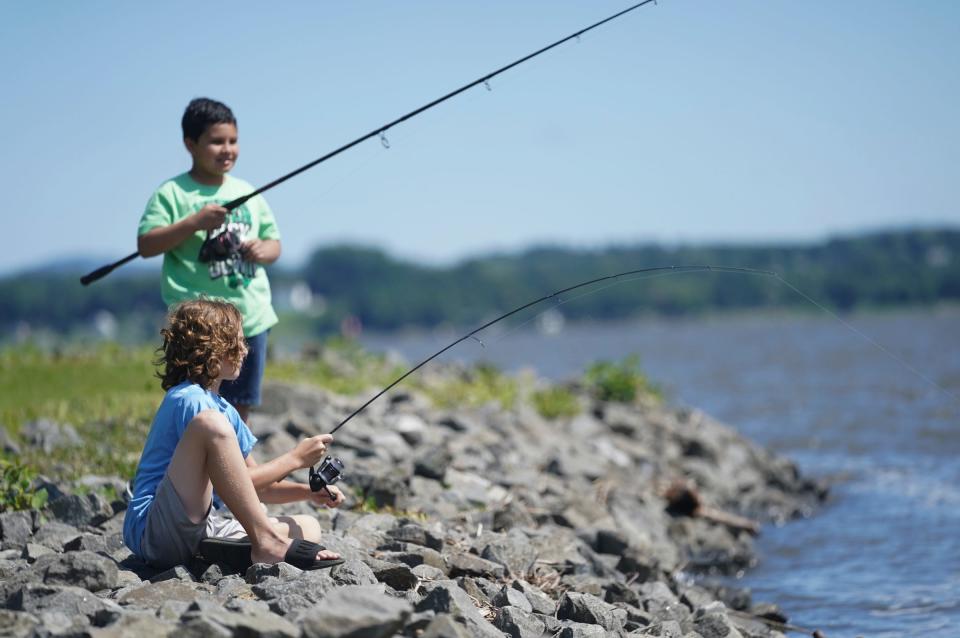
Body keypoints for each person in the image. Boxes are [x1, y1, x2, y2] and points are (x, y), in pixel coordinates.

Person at [122, 298, 346, 570]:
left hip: (200, 525)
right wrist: (296, 459)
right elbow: (239, 479)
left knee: (309, 527)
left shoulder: (225, 410)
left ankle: (219, 554)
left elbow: (251, 484)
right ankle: (266, 542)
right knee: (211, 425)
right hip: (155, 531)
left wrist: (308, 494)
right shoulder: (189, 400)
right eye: (236, 342)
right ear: (210, 350)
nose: (245, 349)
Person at [137, 97, 279, 423]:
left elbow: (275, 244)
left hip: (249, 320)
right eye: (216, 142)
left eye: (233, 141)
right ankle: (197, 470)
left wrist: (263, 250)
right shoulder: (172, 193)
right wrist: (194, 223)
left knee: (238, 408)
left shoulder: (248, 192)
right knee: (193, 407)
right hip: (197, 325)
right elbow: (146, 244)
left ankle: (236, 470)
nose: (227, 149)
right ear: (191, 144)